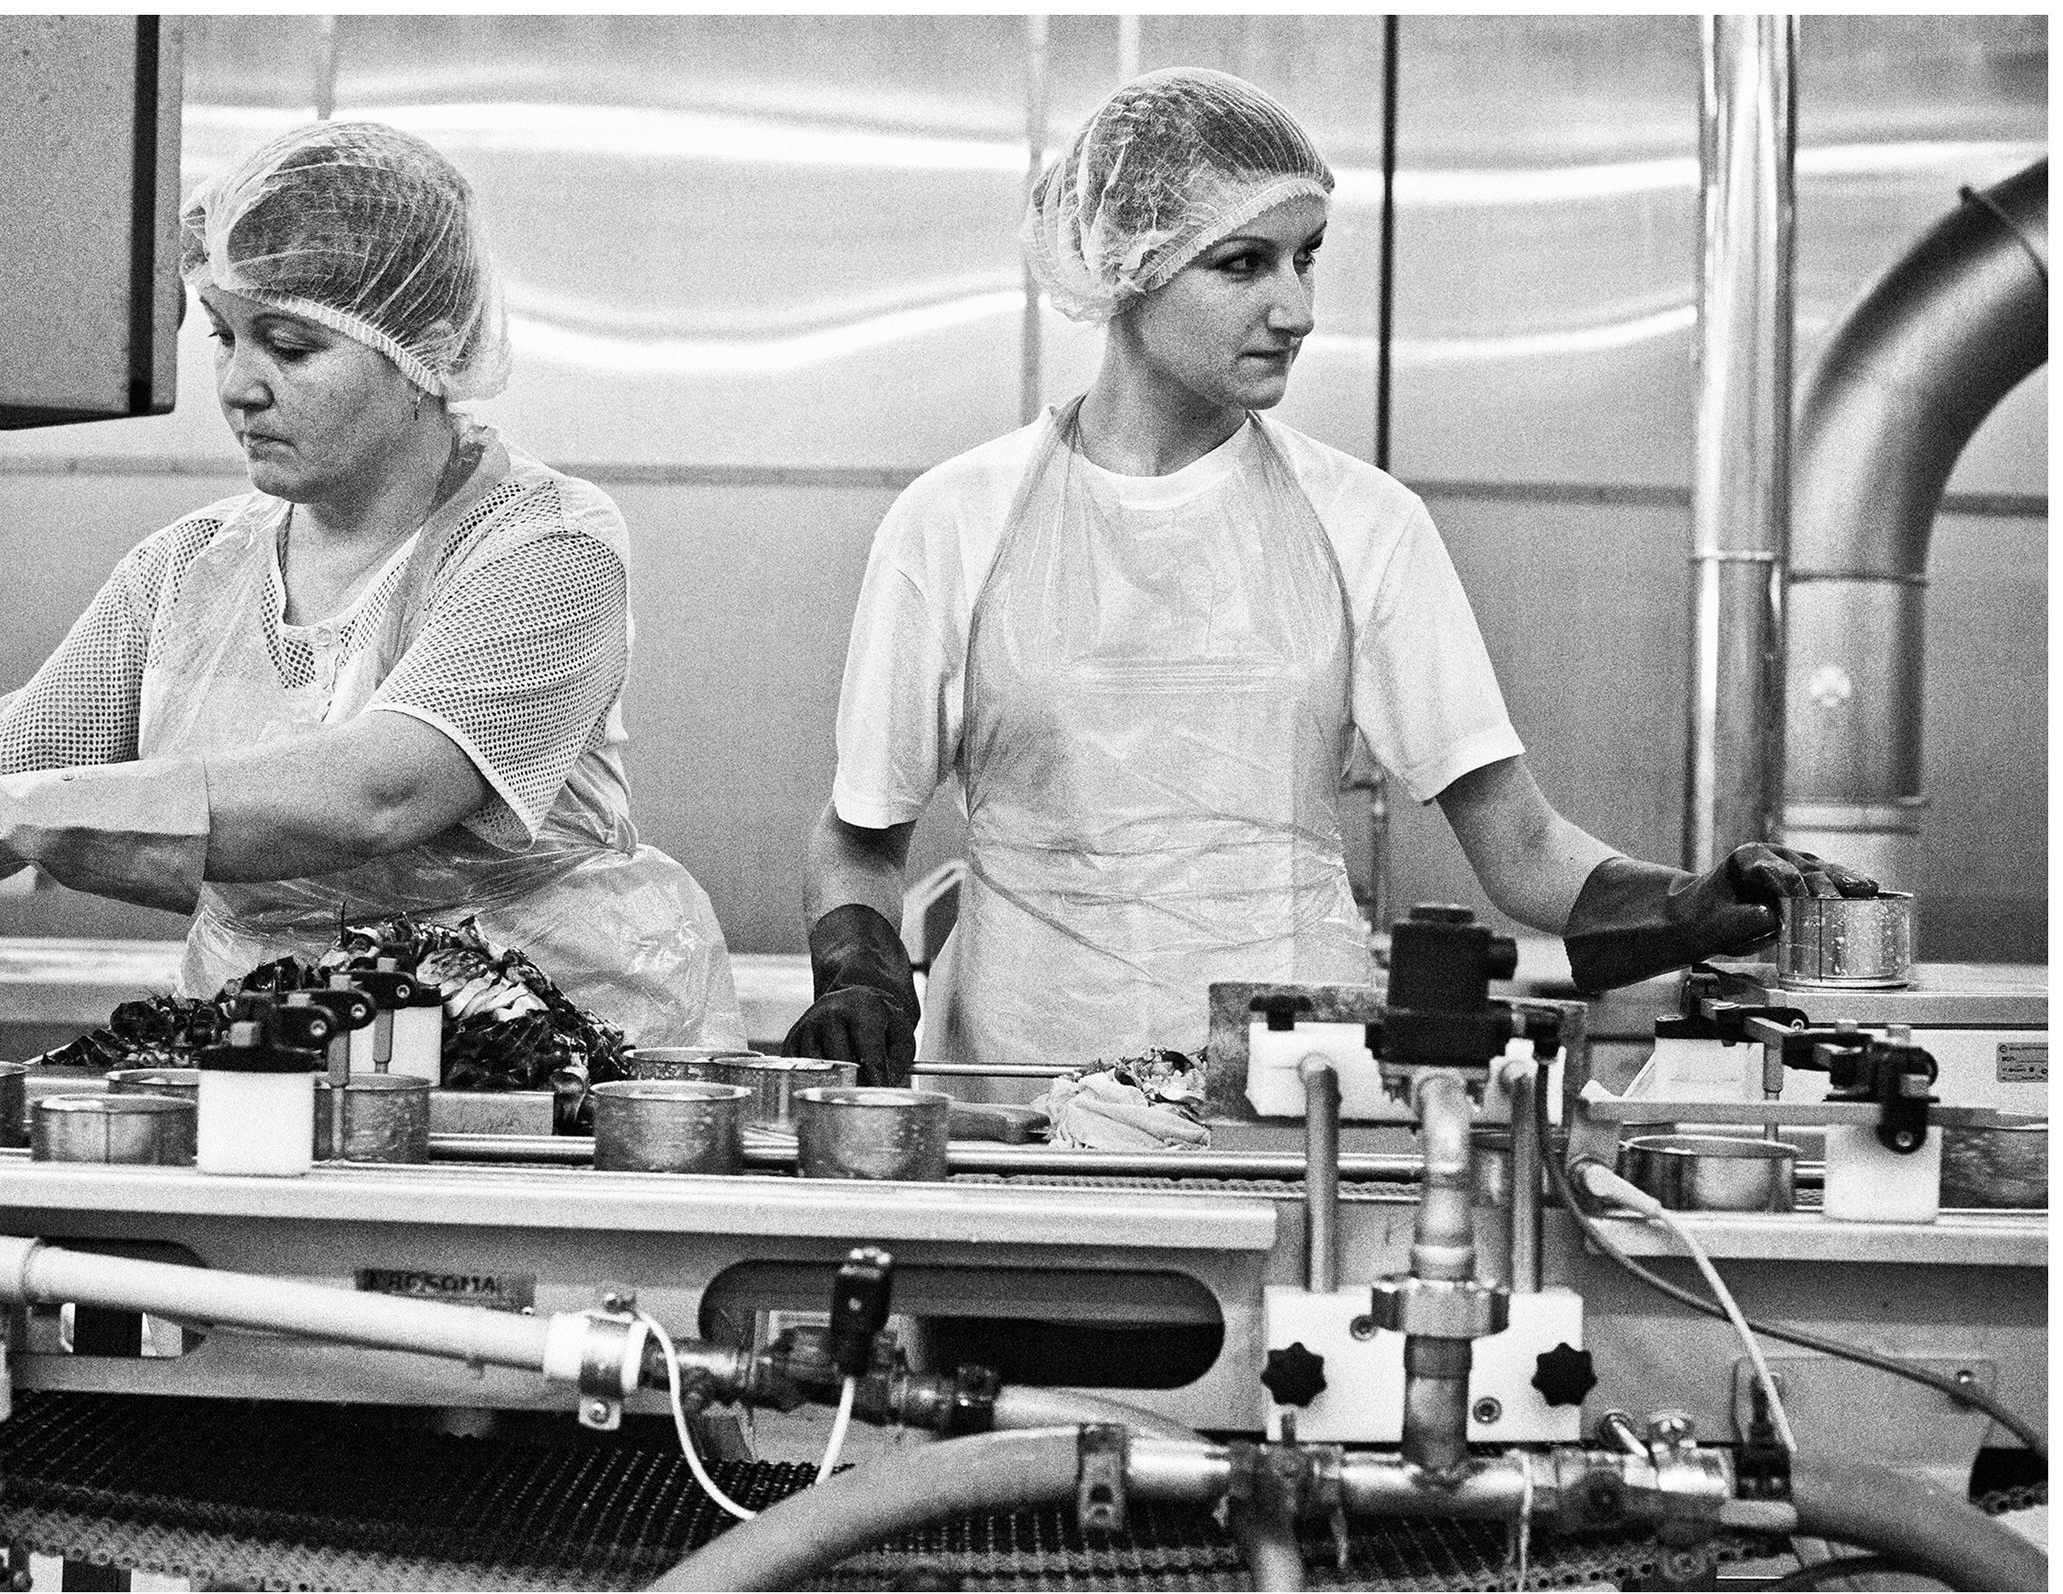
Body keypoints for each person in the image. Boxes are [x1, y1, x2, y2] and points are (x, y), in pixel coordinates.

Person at [786, 68, 1871, 1085]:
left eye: (1307, 257)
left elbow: (1520, 842)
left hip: (1293, 1108)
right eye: (1244, 264)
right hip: (1021, 1108)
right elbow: (860, 834)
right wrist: (861, 967)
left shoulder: (1368, 524)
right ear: (1130, 263)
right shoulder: (953, 521)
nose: (1297, 309)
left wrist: (1691, 900)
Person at [0, 121, 745, 1050]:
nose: (236, 384)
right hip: (270, 1084)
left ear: (430, 348)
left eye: (292, 345)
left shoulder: (543, 546)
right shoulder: (188, 570)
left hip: (540, 1072)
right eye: (225, 334)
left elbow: (380, 793)